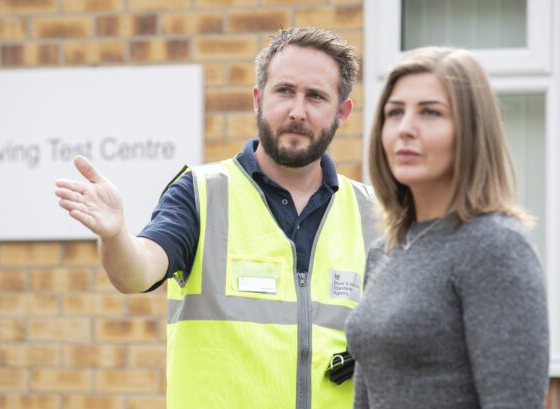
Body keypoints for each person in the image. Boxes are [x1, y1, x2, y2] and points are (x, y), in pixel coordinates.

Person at [55, 27, 380, 409]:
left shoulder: (373, 212)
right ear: (258, 100)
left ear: (342, 112)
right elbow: (137, 271)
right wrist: (115, 236)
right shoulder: (201, 192)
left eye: (316, 96)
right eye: (285, 91)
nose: (297, 111)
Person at [345, 46, 550, 408]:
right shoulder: (385, 251)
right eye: (394, 113)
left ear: (470, 130)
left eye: (430, 112)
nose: (405, 129)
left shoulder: (494, 247)